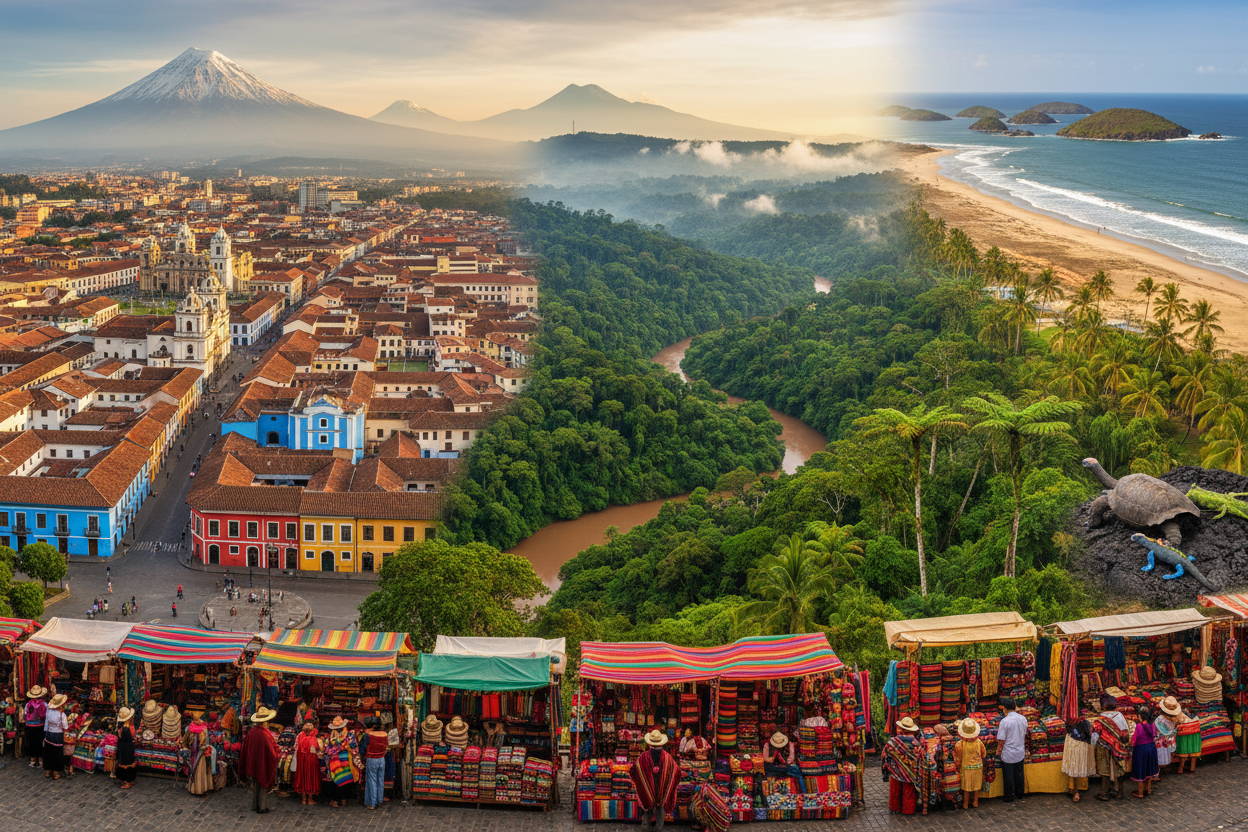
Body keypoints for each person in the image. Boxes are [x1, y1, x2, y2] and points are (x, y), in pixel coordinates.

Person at [630, 729, 680, 831]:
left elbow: (634, 771)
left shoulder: (643, 757)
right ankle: (658, 828)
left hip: (647, 790)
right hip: (662, 792)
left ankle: (645, 827)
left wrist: (642, 783)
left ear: (649, 743)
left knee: (647, 807)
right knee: (660, 808)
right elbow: (677, 772)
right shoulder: (667, 758)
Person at [882, 717, 924, 815]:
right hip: (911, 772)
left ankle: (894, 808)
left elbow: (886, 754)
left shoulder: (893, 741)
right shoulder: (916, 743)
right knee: (909, 790)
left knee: (895, 789)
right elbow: (920, 757)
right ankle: (908, 810)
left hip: (896, 770)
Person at [241, 706, 279, 814]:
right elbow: (271, 751)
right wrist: (276, 755)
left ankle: (255, 805)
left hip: (253, 762)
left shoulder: (252, 731)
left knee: (256, 783)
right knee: (262, 784)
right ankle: (262, 807)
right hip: (262, 763)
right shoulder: (265, 734)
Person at [1094, 693, 1130, 800]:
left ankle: (1105, 792)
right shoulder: (1120, 716)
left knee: (1104, 769)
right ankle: (1119, 791)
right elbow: (1125, 731)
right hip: (1118, 746)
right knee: (1118, 767)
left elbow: (1095, 735)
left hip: (1104, 746)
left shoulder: (1100, 719)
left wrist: (1094, 745)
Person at [322, 716, 361, 808]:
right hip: (346, 759)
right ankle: (343, 798)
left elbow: (328, 750)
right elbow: (354, 746)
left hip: (335, 760)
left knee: (336, 778)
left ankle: (335, 799)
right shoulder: (349, 735)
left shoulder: (331, 736)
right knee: (346, 778)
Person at [996, 696, 1027, 804]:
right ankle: (1020, 794)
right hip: (1020, 751)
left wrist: (998, 751)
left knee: (1008, 776)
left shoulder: (1005, 722)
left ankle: (1009, 796)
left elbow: (1001, 740)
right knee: (1019, 774)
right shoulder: (1023, 718)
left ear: (1004, 708)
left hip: (1008, 753)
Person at [1061, 717, 1096, 802]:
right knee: (1076, 766)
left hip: (1073, 742)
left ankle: (1073, 789)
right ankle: (1074, 790)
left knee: (1073, 766)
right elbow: (1091, 737)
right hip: (1080, 744)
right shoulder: (1085, 724)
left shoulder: (1073, 727)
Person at [954, 718, 986, 809]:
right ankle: (975, 802)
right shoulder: (979, 742)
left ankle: (965, 804)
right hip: (978, 767)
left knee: (966, 787)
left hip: (966, 767)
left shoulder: (960, 744)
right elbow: (983, 754)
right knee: (976, 787)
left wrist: (957, 766)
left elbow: (957, 758)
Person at [183, 712, 215, 795]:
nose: (198, 721)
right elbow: (185, 740)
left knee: (199, 770)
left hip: (201, 753)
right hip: (195, 753)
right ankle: (197, 789)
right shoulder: (191, 727)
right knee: (196, 770)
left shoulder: (203, 729)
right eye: (196, 719)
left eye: (199, 719)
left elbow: (205, 742)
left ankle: (200, 789)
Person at [1131, 704, 1159, 797]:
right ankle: (1149, 789)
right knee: (1149, 768)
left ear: (1140, 717)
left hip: (1141, 749)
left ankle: (1140, 792)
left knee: (1141, 769)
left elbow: (1134, 739)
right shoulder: (1152, 725)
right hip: (1151, 748)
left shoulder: (1139, 726)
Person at [294, 720, 323, 805]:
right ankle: (310, 799)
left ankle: (304, 799)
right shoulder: (315, 739)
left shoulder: (300, 737)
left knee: (303, 777)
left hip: (302, 759)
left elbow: (295, 747)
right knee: (311, 778)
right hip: (311, 759)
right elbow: (320, 751)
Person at [363, 724, 390, 809]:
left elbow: (362, 748)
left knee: (372, 780)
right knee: (380, 780)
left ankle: (371, 802)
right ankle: (379, 800)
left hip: (372, 758)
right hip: (381, 758)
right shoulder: (385, 734)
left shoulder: (368, 736)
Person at [43, 693, 68, 779]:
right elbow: (65, 726)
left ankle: (47, 771)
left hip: (49, 734)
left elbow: (46, 724)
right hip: (58, 735)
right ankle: (56, 772)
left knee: (48, 753)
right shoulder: (62, 715)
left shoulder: (48, 712)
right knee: (57, 754)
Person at [23, 686, 46, 769]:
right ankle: (41, 760)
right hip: (40, 725)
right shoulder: (44, 703)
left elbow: (24, 716)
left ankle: (32, 760)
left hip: (30, 726)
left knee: (31, 742)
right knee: (40, 742)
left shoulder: (28, 704)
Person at [1174, 708, 1202, 774]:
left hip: (1184, 733)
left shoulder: (1179, 715)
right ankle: (1192, 768)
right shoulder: (1194, 716)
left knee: (1184, 750)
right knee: (1193, 750)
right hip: (1195, 731)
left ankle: (1181, 768)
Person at [1156, 696, 1179, 772]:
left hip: (1159, 742)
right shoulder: (1174, 719)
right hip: (1166, 742)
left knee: (1157, 758)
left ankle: (1156, 773)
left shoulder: (1160, 719)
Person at [116, 707, 137, 789]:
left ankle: (127, 781)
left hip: (125, 748)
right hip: (129, 747)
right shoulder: (130, 725)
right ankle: (129, 780)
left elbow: (122, 738)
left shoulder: (125, 728)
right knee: (129, 763)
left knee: (125, 763)